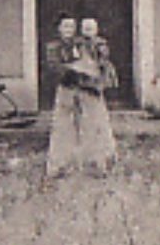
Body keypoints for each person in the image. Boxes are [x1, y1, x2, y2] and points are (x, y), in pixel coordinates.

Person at [44, 14, 118, 177]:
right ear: (59, 29)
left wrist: (92, 75)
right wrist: (75, 70)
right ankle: (60, 165)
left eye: (72, 27)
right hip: (66, 89)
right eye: (66, 27)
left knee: (91, 125)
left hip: (85, 90)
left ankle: (96, 162)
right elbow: (55, 69)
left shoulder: (82, 45)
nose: (70, 30)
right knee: (64, 127)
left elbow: (98, 64)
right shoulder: (53, 47)